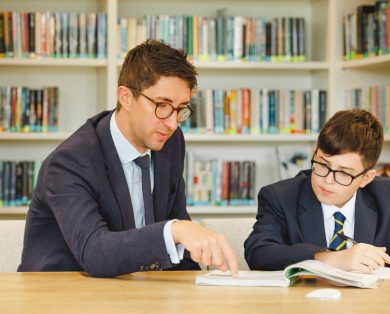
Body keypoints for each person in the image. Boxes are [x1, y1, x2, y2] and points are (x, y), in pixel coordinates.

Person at [19, 40, 238, 277]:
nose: (173, 123)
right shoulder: (69, 162)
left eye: (181, 108)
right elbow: (95, 252)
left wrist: (203, 283)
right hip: (60, 296)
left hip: (133, 292)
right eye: (162, 105)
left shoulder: (170, 142)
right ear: (125, 97)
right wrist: (174, 231)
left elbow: (177, 227)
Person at [244, 109, 390, 278]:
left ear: (366, 178)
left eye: (344, 173)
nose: (328, 179)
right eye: (322, 164)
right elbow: (258, 252)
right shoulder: (280, 196)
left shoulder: (387, 197)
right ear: (315, 153)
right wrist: (329, 259)